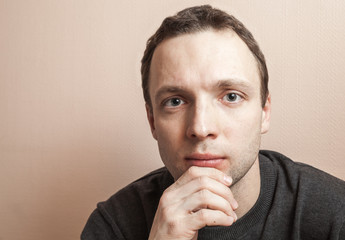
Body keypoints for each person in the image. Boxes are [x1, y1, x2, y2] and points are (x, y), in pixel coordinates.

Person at [81, 5, 345, 240]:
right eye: (175, 101)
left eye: (231, 96)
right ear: (152, 121)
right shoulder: (113, 226)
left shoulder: (335, 213)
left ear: (264, 111)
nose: (201, 128)